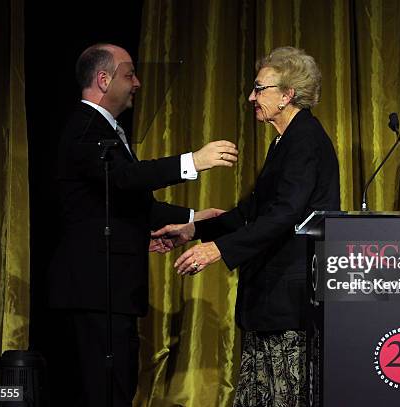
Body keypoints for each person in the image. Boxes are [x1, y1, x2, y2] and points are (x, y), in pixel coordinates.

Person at [46, 43, 237, 406]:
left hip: (111, 292)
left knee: (120, 386)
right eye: (129, 74)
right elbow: (125, 178)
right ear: (103, 79)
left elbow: (136, 204)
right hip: (94, 288)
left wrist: (194, 219)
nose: (137, 83)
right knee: (105, 392)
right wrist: (192, 161)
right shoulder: (86, 128)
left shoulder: (105, 128)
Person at [153, 46, 340, 407]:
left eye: (260, 88)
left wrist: (218, 250)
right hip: (270, 301)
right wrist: (192, 230)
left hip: (290, 304)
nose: (251, 97)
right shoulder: (285, 141)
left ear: (287, 95)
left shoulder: (305, 140)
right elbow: (250, 211)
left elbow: (285, 214)